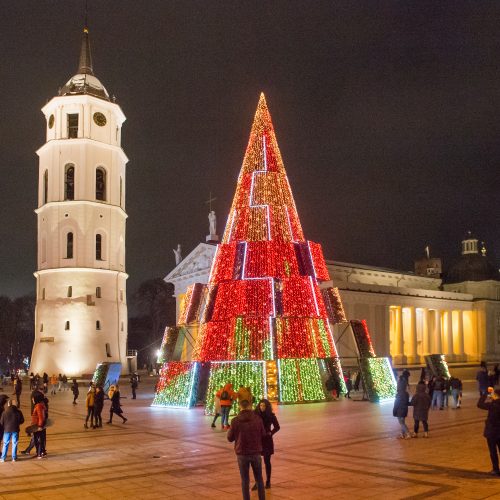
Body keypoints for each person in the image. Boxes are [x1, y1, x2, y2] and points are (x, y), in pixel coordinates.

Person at [227, 399, 266, 500]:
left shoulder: (235, 421)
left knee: (245, 481)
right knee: (259, 479)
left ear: (240, 406)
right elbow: (263, 434)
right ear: (250, 406)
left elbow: (229, 438)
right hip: (256, 452)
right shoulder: (258, 419)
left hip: (242, 454)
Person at [253, 399, 280, 490]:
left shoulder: (271, 416)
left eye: (264, 406)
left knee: (267, 461)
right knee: (256, 462)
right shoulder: (256, 415)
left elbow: (277, 427)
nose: (262, 407)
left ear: (267, 407)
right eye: (260, 406)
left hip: (267, 440)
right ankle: (257, 482)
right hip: (257, 440)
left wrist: (270, 433)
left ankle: (268, 481)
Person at [477, 388, 500, 475]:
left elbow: (479, 404)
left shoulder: (492, 405)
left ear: (496, 395)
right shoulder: (494, 404)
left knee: (493, 451)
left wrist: (485, 394)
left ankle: (495, 469)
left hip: (492, 432)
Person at [31, 393, 47, 459]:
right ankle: (40, 452)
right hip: (37, 424)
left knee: (38, 439)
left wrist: (40, 426)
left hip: (37, 425)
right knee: (39, 439)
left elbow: (41, 417)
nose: (32, 400)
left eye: (33, 398)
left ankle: (39, 453)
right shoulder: (40, 405)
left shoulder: (38, 406)